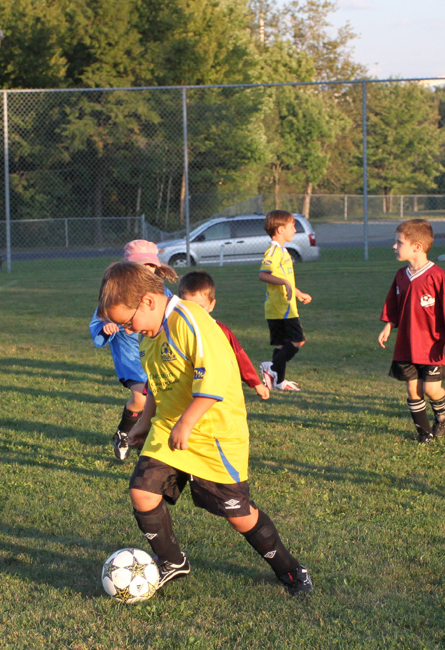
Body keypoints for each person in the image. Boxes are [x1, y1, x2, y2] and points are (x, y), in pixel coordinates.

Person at [96, 261, 313, 596]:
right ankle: (172, 561)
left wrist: (187, 422)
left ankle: (290, 570)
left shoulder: (190, 321)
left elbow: (215, 379)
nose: (129, 329)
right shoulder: (149, 334)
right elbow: (157, 383)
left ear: (149, 302)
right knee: (142, 491)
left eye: (128, 321)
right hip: (170, 428)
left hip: (213, 433)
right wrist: (144, 422)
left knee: (238, 514)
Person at [378, 219, 445, 443]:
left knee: (431, 389)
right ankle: (423, 433)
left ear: (416, 247)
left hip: (433, 344)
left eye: (399, 242)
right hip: (407, 344)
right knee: (412, 389)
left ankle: (442, 416)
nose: (394, 246)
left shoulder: (437, 276)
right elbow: (394, 306)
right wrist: (388, 325)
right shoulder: (401, 276)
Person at [89, 240, 177, 461]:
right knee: (141, 398)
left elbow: (173, 316)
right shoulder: (115, 293)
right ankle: (123, 433)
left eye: (150, 266)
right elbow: (97, 323)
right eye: (141, 266)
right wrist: (106, 328)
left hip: (158, 356)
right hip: (130, 358)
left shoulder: (162, 291)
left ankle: (148, 440)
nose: (146, 271)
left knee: (161, 401)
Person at [177, 270, 271, 401]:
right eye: (188, 307)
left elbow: (239, 356)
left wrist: (256, 383)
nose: (194, 313)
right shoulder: (174, 331)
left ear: (211, 305)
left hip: (213, 391)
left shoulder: (220, 330)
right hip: (183, 392)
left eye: (199, 307)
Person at [258, 210, 312, 392]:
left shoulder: (281, 250)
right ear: (281, 230)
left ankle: (278, 382)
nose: (295, 230)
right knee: (298, 340)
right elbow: (263, 275)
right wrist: (284, 284)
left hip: (277, 306)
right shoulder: (274, 251)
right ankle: (271, 367)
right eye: (292, 226)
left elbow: (283, 279)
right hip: (282, 307)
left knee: (281, 344)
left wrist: (297, 293)